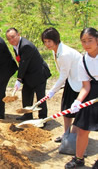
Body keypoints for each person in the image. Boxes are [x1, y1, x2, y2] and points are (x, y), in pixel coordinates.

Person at [41, 27, 82, 142]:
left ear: (56, 39)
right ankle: (66, 134)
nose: (47, 44)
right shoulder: (57, 50)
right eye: (45, 42)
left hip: (78, 84)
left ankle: (73, 137)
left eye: (49, 41)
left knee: (75, 111)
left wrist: (52, 91)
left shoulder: (64, 53)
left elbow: (63, 76)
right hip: (71, 81)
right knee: (66, 110)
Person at [65, 27, 98, 169]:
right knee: (83, 129)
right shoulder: (83, 60)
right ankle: (78, 159)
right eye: (83, 41)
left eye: (90, 40)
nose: (87, 44)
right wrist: (78, 101)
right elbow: (86, 86)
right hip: (92, 93)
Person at [6, 28, 51, 123]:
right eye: (9, 39)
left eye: (13, 37)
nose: (11, 40)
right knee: (26, 94)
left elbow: (23, 63)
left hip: (39, 74)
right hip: (29, 74)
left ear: (18, 34)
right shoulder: (16, 45)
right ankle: (27, 115)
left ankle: (42, 119)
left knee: (40, 97)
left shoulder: (26, 46)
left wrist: (19, 79)